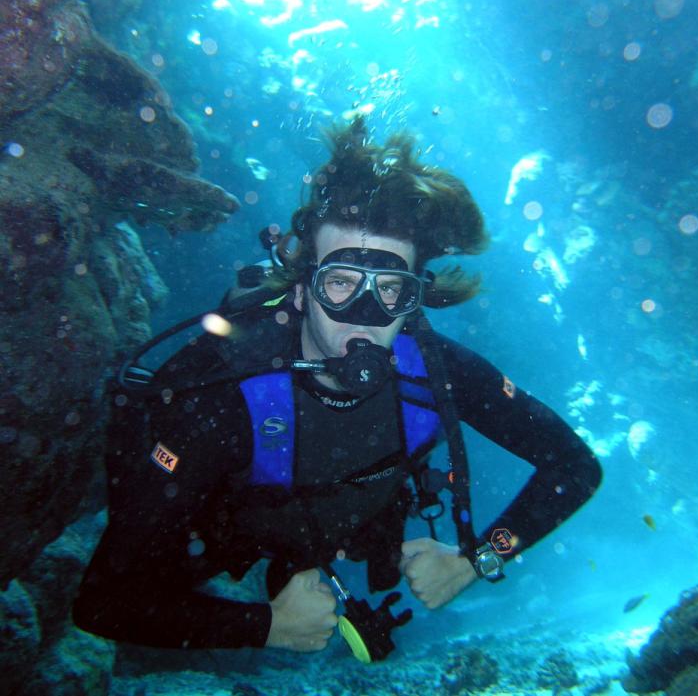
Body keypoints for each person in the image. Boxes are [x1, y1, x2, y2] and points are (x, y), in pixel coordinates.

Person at [73, 116, 602, 657]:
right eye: (341, 283)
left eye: (391, 289)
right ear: (302, 292)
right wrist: (265, 626)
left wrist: (477, 560)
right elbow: (101, 602)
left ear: (413, 301)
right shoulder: (227, 393)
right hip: (228, 532)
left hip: (349, 527)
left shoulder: (436, 371)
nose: (364, 315)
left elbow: (575, 467)